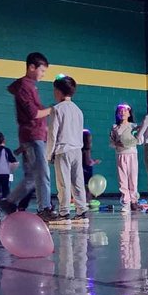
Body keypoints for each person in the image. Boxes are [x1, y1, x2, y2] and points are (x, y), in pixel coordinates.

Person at [0, 52, 54, 219]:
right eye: (42, 71)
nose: (43, 75)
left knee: (32, 176)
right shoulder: (25, 86)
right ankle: (44, 208)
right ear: (32, 67)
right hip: (33, 136)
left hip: (32, 136)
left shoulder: (29, 86)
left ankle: (9, 202)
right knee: (43, 173)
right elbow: (33, 114)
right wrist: (53, 110)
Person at [48, 75, 88, 222]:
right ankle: (81, 211)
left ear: (58, 91)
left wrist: (49, 154)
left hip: (62, 151)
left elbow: (52, 134)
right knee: (78, 181)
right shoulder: (78, 110)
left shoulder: (57, 109)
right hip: (77, 150)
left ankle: (64, 213)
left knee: (63, 183)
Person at [110, 103, 140, 212]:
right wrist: (118, 144)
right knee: (122, 180)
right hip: (120, 155)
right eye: (120, 111)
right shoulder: (115, 127)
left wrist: (132, 141)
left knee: (133, 178)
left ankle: (134, 201)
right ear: (117, 114)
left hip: (132, 154)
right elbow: (112, 142)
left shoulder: (134, 126)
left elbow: (139, 140)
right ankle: (125, 202)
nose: (122, 112)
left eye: (125, 110)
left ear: (129, 113)